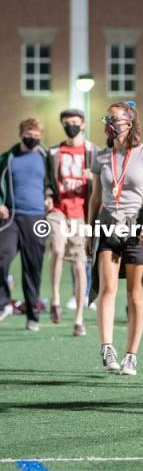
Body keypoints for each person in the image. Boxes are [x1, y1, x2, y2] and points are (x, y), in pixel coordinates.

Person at [86, 101, 143, 375]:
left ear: (129, 123)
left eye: (114, 118)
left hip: (136, 229)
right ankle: (107, 347)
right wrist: (89, 230)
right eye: (107, 118)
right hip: (108, 228)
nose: (109, 122)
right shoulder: (100, 156)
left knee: (135, 295)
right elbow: (95, 198)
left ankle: (131, 354)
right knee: (107, 289)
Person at [45, 109, 100, 336]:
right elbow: (47, 180)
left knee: (80, 264)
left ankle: (79, 318)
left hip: (81, 213)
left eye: (75, 122)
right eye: (67, 123)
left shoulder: (93, 151)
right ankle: (56, 299)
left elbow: (103, 182)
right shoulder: (54, 151)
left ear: (84, 124)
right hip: (58, 209)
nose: (72, 126)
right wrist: (48, 195)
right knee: (57, 249)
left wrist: (93, 178)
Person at [0, 119, 48, 331]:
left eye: (37, 134)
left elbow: (54, 184)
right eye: (29, 133)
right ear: (21, 134)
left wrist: (50, 197)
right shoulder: (7, 158)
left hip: (37, 218)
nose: (33, 137)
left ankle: (32, 314)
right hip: (11, 217)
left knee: (33, 266)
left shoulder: (46, 158)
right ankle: (4, 303)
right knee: (2, 258)